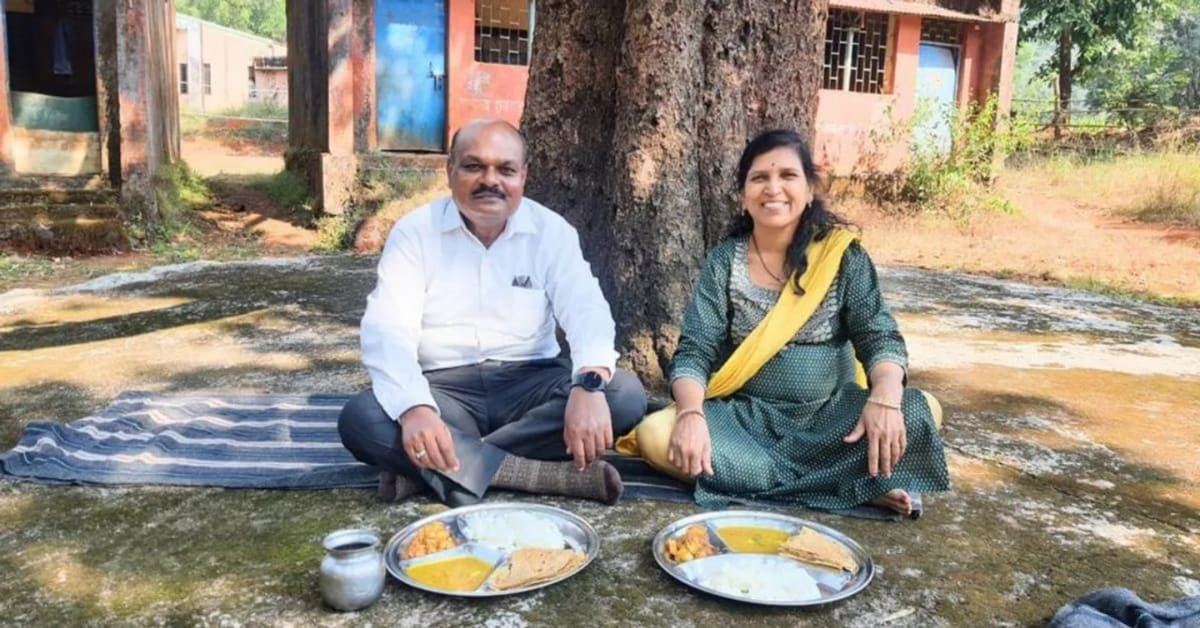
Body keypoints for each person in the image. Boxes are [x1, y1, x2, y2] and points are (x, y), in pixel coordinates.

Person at [616, 129, 949, 516]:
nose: (773, 188)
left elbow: (880, 338)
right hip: (746, 421)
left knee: (922, 410)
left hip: (830, 420)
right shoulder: (724, 263)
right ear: (743, 197)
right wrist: (690, 414)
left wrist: (884, 399)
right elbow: (694, 351)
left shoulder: (842, 257)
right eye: (759, 178)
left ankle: (816, 481)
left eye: (788, 175)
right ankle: (851, 485)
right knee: (655, 435)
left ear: (809, 191)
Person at [339, 119, 647, 507]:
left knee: (623, 395)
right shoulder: (415, 233)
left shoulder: (551, 232)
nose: (490, 180)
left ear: (523, 176)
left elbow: (587, 310)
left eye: (505, 169)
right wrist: (416, 409)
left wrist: (588, 384)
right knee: (362, 419)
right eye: (474, 166)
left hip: (531, 385)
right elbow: (388, 330)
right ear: (450, 170)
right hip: (444, 391)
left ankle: (442, 468)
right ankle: (540, 475)